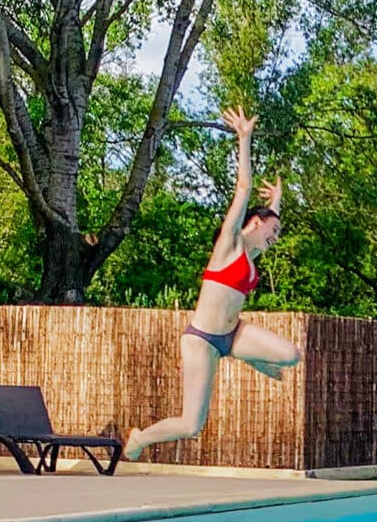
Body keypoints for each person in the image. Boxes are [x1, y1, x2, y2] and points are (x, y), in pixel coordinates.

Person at [123, 106, 301, 460]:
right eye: (274, 230)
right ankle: (141, 437)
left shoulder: (251, 258)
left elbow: (267, 220)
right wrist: (244, 138)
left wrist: (278, 203)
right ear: (254, 223)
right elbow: (244, 187)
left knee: (291, 355)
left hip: (233, 334)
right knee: (192, 425)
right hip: (202, 340)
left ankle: (245, 356)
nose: (276, 238)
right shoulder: (229, 244)